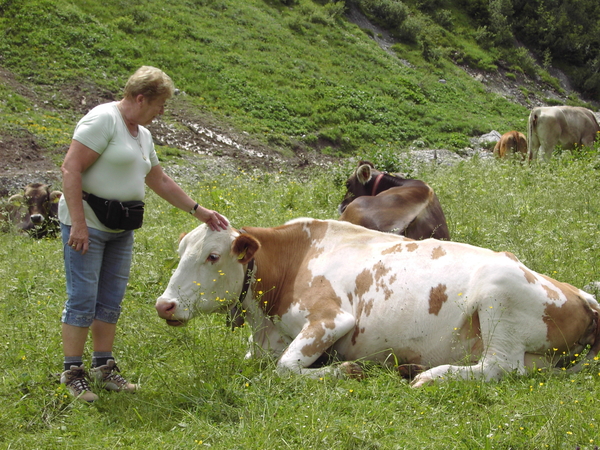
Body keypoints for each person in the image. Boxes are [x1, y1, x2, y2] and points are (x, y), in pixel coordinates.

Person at [58, 66, 229, 402]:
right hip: (89, 223)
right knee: (83, 297)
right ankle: (72, 372)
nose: (161, 112)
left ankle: (103, 368)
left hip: (121, 227)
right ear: (140, 98)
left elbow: (159, 180)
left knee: (110, 298)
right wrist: (77, 223)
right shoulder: (103, 120)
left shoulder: (142, 135)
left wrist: (200, 211)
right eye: (159, 104)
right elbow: (71, 167)